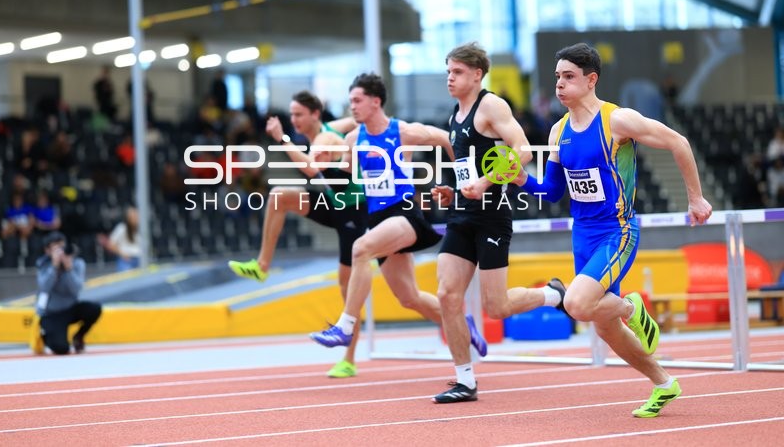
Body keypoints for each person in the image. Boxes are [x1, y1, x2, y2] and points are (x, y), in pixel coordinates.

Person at [515, 43, 712, 418]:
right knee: (604, 329)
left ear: (591, 80)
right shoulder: (558, 132)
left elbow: (678, 141)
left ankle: (631, 306)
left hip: (617, 232)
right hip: (582, 235)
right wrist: (521, 178)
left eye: (568, 76)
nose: (559, 84)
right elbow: (553, 191)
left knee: (575, 303)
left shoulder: (616, 121)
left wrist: (696, 199)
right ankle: (664, 383)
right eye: (557, 77)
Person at [308, 73, 490, 362]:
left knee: (361, 249)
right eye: (350, 101)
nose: (352, 106)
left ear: (375, 101)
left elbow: (446, 138)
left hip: (405, 214)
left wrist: (462, 178)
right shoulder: (355, 138)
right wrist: (326, 162)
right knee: (409, 298)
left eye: (357, 100)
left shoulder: (403, 132)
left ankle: (345, 326)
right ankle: (463, 325)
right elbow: (346, 172)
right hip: (378, 219)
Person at [429, 42, 567, 404]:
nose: (450, 78)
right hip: (461, 215)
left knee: (497, 307)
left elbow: (521, 151)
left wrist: (486, 183)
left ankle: (553, 294)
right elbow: (466, 170)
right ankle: (465, 380)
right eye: (447, 71)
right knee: (447, 295)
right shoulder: (453, 117)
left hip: (492, 217)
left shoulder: (490, 106)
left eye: (456, 72)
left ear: (477, 74)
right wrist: (454, 191)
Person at [228, 90, 366, 378]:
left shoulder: (325, 138)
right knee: (279, 196)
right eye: (291, 114)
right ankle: (262, 266)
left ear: (315, 114)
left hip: (354, 211)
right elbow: (354, 120)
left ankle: (349, 359)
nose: (293, 120)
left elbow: (309, 168)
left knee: (347, 287)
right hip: (334, 203)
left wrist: (282, 138)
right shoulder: (329, 129)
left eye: (298, 114)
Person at [35, 231, 102, 354]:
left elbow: (76, 289)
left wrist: (68, 269)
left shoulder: (77, 263)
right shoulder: (43, 264)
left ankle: (79, 336)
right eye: (56, 249)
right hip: (52, 313)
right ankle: (46, 335)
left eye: (62, 247)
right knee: (62, 348)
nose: (61, 252)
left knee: (94, 308)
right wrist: (54, 267)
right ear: (48, 251)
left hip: (70, 308)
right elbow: (44, 287)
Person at [98, 206, 141, 272]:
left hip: (140, 260)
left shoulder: (142, 229)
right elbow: (111, 244)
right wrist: (123, 254)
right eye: (133, 216)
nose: (135, 218)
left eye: (136, 215)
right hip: (126, 261)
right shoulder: (121, 228)